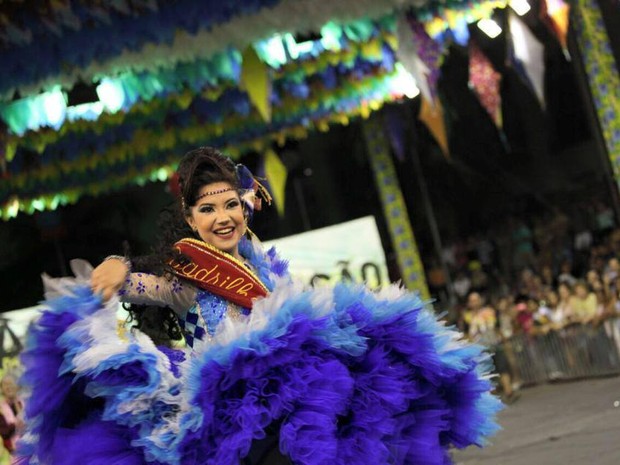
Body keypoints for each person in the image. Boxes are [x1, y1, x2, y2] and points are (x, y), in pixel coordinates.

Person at [19, 147, 501, 465]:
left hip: (298, 405)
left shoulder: (264, 263)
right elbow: (148, 285)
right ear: (190, 218)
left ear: (243, 206)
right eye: (207, 210)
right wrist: (119, 270)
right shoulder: (185, 278)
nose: (221, 218)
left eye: (229, 204)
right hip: (236, 421)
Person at [0, 375, 23, 462]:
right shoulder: (1, 409)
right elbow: (3, 432)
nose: (9, 387)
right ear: (1, 389)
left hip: (32, 449)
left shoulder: (25, 403)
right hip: (14, 454)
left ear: (17, 386)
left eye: (11, 383)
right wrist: (15, 425)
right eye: (5, 384)